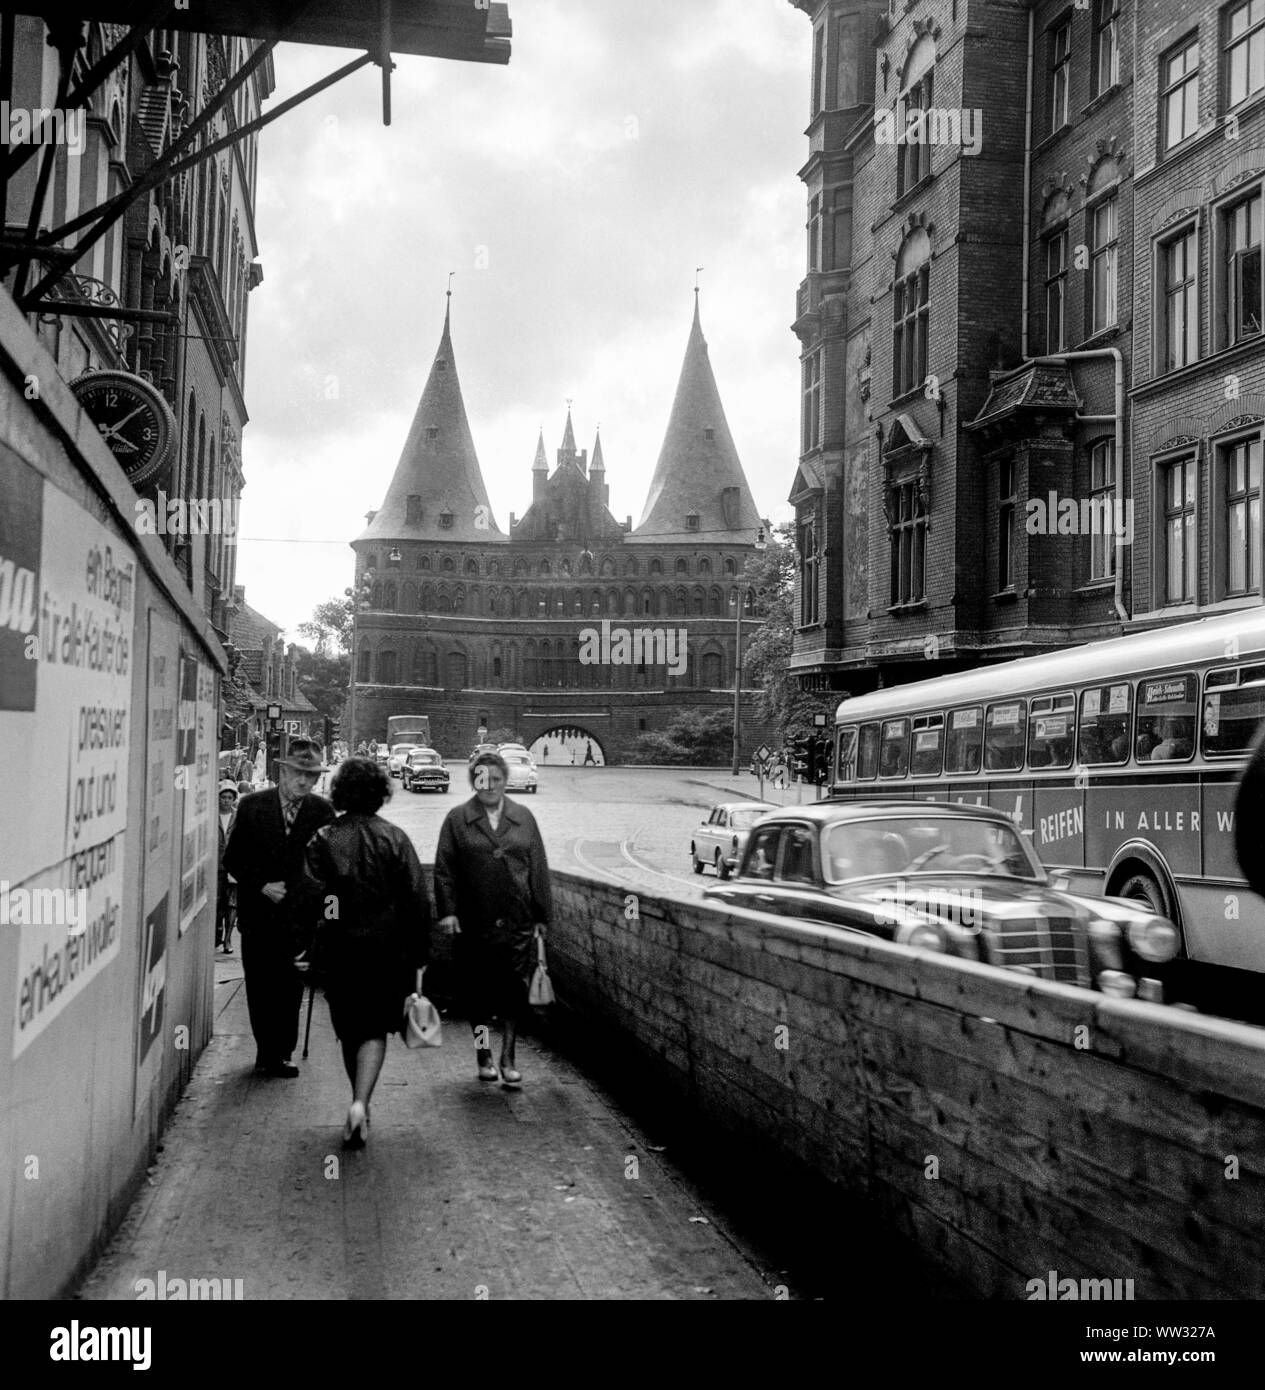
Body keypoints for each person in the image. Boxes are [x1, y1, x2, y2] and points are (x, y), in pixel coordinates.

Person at [302, 758, 432, 1148]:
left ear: (340, 793)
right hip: (387, 948)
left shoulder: (324, 838)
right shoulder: (395, 838)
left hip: (341, 948)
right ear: (380, 793)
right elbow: (415, 899)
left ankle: (357, 1100)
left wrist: (328, 927)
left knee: (350, 1028)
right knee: (375, 1027)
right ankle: (361, 1103)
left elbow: (317, 896)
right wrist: (419, 950)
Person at [434, 751, 552, 1088]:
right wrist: (449, 911)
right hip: (474, 920)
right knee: (477, 994)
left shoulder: (524, 817)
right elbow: (444, 870)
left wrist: (541, 915)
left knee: (515, 991)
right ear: (473, 780)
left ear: (505, 781)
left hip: (518, 920)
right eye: (482, 778)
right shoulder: (457, 819)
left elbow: (538, 868)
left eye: (496, 779)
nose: (489, 785)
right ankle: (484, 1055)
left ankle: (509, 1057)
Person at [224, 739, 335, 1078]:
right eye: (300, 774)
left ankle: (281, 1053)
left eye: (312, 776)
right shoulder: (252, 806)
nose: (305, 782)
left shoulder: (321, 811)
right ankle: (265, 1050)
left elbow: (332, 871)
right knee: (260, 985)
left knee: (290, 987)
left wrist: (328, 916)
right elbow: (232, 858)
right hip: (258, 915)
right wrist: (261, 885)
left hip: (299, 918)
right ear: (283, 771)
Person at [217, 781, 239, 953]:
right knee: (217, 903)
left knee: (232, 904)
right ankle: (217, 933)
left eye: (229, 797)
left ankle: (228, 938)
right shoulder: (211, 815)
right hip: (216, 867)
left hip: (233, 867)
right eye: (223, 797)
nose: (226, 801)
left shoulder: (238, 817)